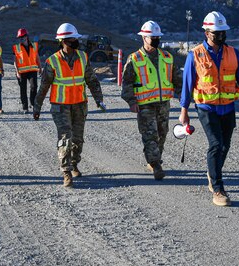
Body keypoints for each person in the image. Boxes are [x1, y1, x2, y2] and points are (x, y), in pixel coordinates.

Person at [179, 11, 239, 207]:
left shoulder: (233, 54)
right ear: (206, 32)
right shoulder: (195, 55)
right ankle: (218, 189)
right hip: (206, 108)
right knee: (216, 144)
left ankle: (213, 173)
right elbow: (187, 84)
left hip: (227, 108)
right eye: (216, 32)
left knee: (225, 146)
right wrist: (184, 110)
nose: (220, 35)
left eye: (222, 32)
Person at [33, 23, 105, 187]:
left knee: (78, 140)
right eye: (72, 39)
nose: (75, 41)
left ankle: (74, 164)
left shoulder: (83, 57)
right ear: (64, 41)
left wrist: (99, 99)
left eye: (75, 38)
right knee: (65, 139)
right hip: (60, 107)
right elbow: (44, 86)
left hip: (80, 105)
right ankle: (66, 172)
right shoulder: (52, 61)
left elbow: (92, 80)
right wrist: (37, 107)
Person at [121, 21, 180, 179]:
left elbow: (177, 79)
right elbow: (126, 83)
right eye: (151, 37)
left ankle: (154, 159)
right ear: (143, 38)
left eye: (157, 37)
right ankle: (156, 164)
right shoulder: (135, 58)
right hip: (144, 104)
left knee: (162, 133)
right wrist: (131, 102)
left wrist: (185, 97)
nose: (155, 39)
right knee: (150, 135)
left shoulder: (167, 57)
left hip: (163, 104)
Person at [12, 28, 40, 113]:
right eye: (20, 38)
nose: (21, 39)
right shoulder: (17, 48)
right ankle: (25, 107)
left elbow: (37, 57)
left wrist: (40, 67)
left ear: (27, 36)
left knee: (34, 87)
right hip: (21, 72)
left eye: (23, 37)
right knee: (23, 90)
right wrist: (17, 72)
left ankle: (32, 102)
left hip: (32, 70)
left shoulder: (34, 45)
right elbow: (15, 61)